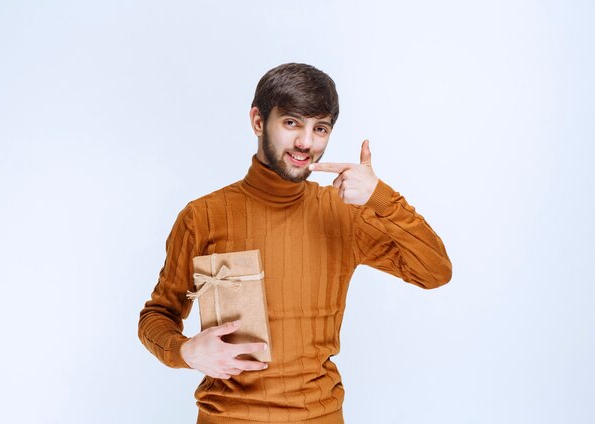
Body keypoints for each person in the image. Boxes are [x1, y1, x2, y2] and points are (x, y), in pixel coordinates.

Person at [138, 63, 452, 424]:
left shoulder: (342, 213)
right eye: (291, 123)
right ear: (258, 121)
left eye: (319, 128)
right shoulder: (203, 216)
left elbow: (435, 272)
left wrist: (381, 197)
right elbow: (157, 315)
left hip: (320, 415)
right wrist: (185, 351)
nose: (306, 142)